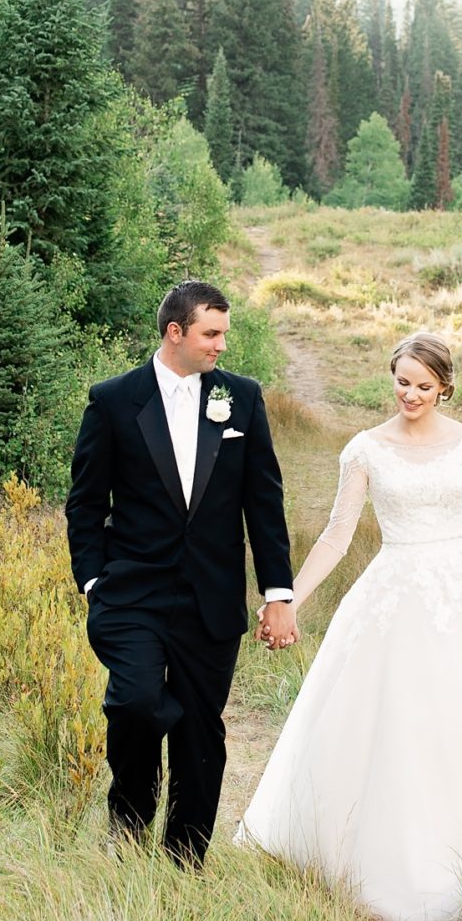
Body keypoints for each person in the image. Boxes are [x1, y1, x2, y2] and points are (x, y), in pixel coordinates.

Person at [237, 330, 462, 921]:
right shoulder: (365, 451)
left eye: (424, 386)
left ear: (445, 387)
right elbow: (336, 536)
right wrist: (290, 599)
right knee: (399, 718)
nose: (411, 394)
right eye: (403, 381)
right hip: (396, 590)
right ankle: (390, 849)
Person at [65, 280, 294, 863]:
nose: (221, 345)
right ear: (176, 332)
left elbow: (263, 503)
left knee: (199, 728)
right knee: (137, 702)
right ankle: (130, 823)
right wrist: (93, 580)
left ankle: (185, 857)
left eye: (223, 333)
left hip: (210, 596)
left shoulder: (240, 398)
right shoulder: (115, 400)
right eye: (210, 334)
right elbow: (87, 503)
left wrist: (277, 593)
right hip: (131, 593)